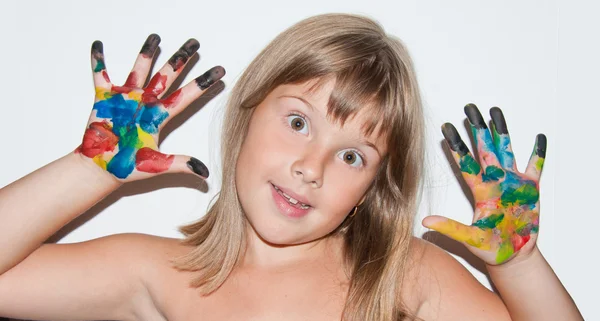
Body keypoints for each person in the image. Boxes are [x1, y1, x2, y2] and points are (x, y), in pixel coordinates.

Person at [0, 13, 582, 321]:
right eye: (299, 122)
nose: (311, 167)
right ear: (247, 112)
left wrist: (521, 264)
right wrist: (92, 170)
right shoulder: (158, 272)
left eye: (352, 156)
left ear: (372, 187)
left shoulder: (401, 275)